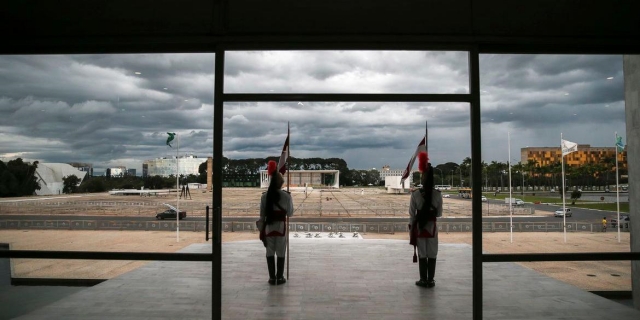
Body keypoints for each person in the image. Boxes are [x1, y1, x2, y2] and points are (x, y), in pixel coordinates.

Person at [409, 151, 443, 288]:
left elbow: (412, 213)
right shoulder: (437, 195)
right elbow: (439, 213)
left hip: (420, 227)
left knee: (422, 253)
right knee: (432, 253)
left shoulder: (416, 194)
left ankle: (423, 279)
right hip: (432, 228)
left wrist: (412, 228)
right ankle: (431, 280)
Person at [258, 160, 294, 285]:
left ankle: (272, 278)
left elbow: (262, 216)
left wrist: (261, 230)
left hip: (268, 228)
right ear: (281, 183)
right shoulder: (287, 196)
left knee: (269, 253)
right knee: (280, 252)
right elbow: (289, 213)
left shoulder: (264, 196)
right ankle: (280, 277)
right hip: (281, 228)